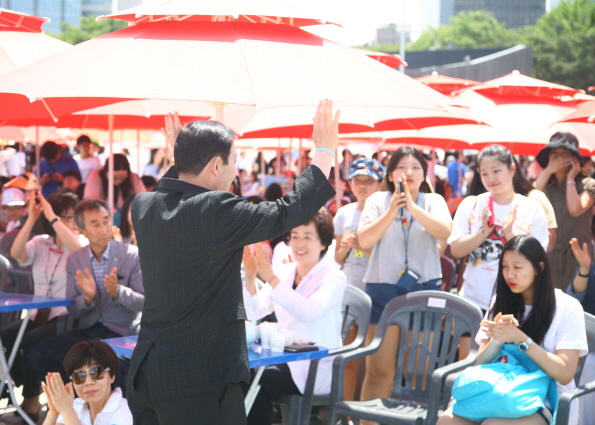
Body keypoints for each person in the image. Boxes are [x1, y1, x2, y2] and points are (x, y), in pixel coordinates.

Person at [126, 100, 339, 425]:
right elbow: (288, 210)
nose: (236, 171)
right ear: (215, 166)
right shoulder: (214, 209)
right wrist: (324, 151)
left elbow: (173, 190)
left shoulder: (143, 206)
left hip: (147, 370)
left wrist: (180, 157)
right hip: (198, 377)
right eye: (234, 163)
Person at [437, 235, 588, 425]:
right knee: (446, 420)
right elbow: (479, 364)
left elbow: (565, 373)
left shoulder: (567, 307)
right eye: (504, 267)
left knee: (493, 424)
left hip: (544, 401)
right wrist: (497, 339)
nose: (509, 274)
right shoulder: (499, 300)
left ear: (539, 268)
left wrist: (520, 339)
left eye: (517, 267)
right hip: (496, 391)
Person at [357, 146, 452, 419]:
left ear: (424, 174)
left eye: (415, 167)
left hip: (424, 291)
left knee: (418, 373)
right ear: (390, 174)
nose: (408, 172)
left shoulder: (433, 201)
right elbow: (364, 241)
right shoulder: (377, 201)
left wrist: (412, 206)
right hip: (382, 290)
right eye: (401, 167)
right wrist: (392, 210)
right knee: (379, 372)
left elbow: (445, 231)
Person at [27, 199, 144, 389]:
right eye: (95, 224)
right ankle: (77, 405)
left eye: (106, 221)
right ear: (81, 229)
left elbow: (144, 303)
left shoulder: (131, 255)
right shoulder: (76, 259)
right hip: (88, 329)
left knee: (110, 366)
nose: (103, 229)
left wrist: (118, 292)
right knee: (38, 354)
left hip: (121, 332)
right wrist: (87, 298)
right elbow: (73, 311)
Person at [244, 210, 347, 425]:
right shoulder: (285, 272)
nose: (299, 243)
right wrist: (252, 278)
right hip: (282, 357)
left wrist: (270, 278)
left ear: (324, 243)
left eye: (308, 237)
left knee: (256, 381)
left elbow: (309, 312)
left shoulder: (334, 277)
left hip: (314, 364)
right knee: (239, 375)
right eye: (295, 235)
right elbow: (256, 311)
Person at [6, 191, 83, 419]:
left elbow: (79, 253)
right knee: (5, 337)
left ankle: (31, 400)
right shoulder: (41, 242)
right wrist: (31, 218)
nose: (72, 222)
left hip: (66, 316)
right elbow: (16, 254)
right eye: (66, 216)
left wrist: (53, 216)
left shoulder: (79, 243)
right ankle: (20, 386)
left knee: (29, 342)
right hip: (36, 316)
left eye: (73, 217)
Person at [449, 145, 549, 315]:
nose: (491, 178)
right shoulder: (471, 204)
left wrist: (511, 235)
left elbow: (539, 259)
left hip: (515, 303)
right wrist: (483, 233)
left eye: (496, 171)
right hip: (472, 301)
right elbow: (456, 250)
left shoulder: (532, 209)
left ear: (512, 169)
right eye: (484, 173)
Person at [534, 132, 595, 289]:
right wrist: (547, 171)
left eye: (564, 154)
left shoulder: (588, 184)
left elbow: (575, 209)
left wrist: (570, 178)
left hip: (578, 258)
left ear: (574, 158)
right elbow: (527, 201)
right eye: (554, 154)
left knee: (578, 306)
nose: (558, 158)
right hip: (549, 257)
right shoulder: (545, 185)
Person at [42, 340, 132, 425]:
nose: (88, 382)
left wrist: (68, 412)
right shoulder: (74, 406)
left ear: (112, 376)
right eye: (79, 375)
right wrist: (53, 413)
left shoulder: (127, 412)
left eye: (97, 372)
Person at [334, 158, 383, 291]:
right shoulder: (343, 213)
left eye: (369, 180)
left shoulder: (386, 215)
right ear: (349, 184)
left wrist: (363, 247)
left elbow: (387, 262)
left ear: (380, 185)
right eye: (357, 180)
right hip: (348, 286)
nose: (362, 185)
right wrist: (344, 248)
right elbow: (337, 260)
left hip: (377, 287)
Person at [84, 154, 146, 222]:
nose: (119, 180)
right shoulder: (96, 176)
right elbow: (90, 198)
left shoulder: (133, 177)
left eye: (122, 177)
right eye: (115, 178)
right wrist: (106, 208)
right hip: (102, 217)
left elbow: (144, 199)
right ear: (106, 171)